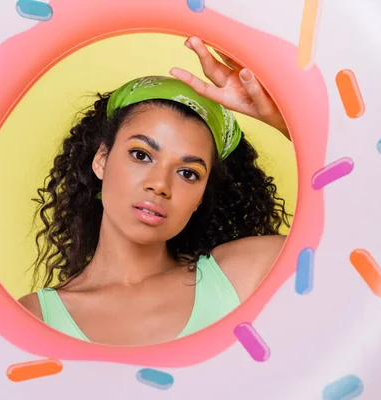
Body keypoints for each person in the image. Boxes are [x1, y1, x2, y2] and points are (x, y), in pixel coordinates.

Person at [19, 36, 292, 346]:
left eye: (188, 173)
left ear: (201, 195)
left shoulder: (243, 274)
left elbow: (351, 243)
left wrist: (286, 122)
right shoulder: (33, 319)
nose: (160, 185)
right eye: (141, 155)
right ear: (102, 160)